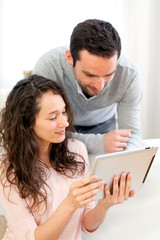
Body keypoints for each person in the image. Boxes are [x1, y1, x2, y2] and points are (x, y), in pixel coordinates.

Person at [0, 75, 135, 240]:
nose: (64, 122)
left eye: (64, 112)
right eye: (53, 117)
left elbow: (86, 224)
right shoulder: (8, 168)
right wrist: (70, 204)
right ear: (28, 122)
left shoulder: (76, 150)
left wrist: (104, 204)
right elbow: (31, 237)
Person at [34, 19, 142, 155]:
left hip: (105, 128)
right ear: (70, 58)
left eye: (108, 74)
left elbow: (132, 134)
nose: (100, 86)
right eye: (90, 75)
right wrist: (98, 143)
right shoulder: (48, 67)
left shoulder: (129, 74)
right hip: (61, 128)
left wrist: (127, 161)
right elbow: (42, 130)